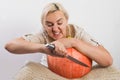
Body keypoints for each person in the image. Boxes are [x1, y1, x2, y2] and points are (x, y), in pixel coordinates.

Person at [5, 2, 112, 68]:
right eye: (49, 24)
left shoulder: (77, 31)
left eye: (60, 23)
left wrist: (74, 42)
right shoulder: (43, 35)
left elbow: (107, 60)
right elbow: (10, 46)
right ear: (44, 25)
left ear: (66, 20)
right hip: (51, 73)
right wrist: (44, 48)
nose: (55, 29)